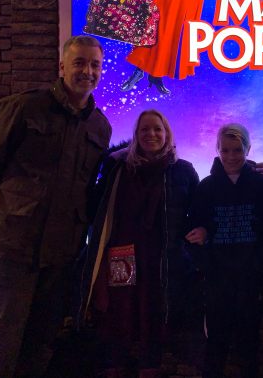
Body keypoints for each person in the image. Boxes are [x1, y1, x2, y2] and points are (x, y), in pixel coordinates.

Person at [0, 35, 112, 377]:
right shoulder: (23, 108)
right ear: (62, 66)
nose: (87, 71)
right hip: (14, 247)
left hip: (61, 254)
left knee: (40, 345)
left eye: (95, 65)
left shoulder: (100, 126)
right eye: (79, 63)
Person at [77, 109, 199, 378]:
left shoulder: (183, 171)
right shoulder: (118, 169)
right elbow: (95, 207)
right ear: (135, 135)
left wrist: (199, 233)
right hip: (120, 256)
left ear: (167, 133)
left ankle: (149, 370)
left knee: (152, 318)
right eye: (145, 129)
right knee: (117, 318)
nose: (151, 134)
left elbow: (197, 212)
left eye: (157, 129)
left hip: (161, 260)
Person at [186, 123, 263, 378]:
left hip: (251, 278)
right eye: (226, 150)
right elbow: (193, 228)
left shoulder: (262, 185)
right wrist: (204, 253)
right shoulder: (206, 187)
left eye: (237, 150)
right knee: (215, 345)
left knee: (250, 345)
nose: (231, 156)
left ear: (248, 149)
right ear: (218, 149)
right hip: (217, 280)